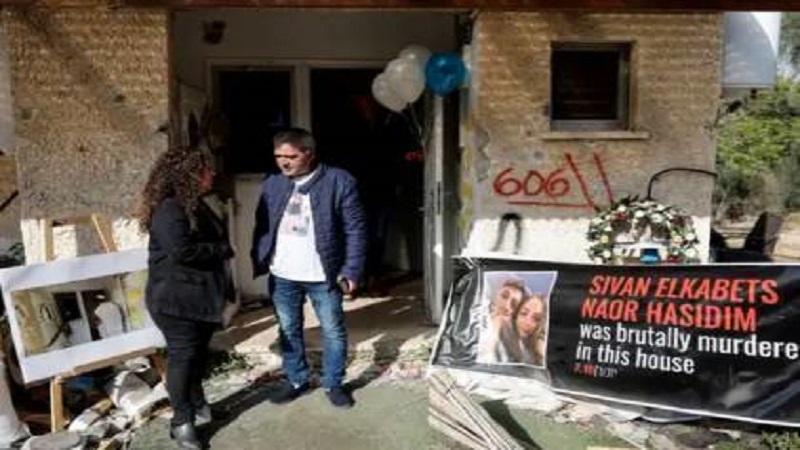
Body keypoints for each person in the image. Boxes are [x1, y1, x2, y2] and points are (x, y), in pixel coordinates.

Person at [251, 127, 367, 409]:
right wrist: (259, 255)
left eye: (290, 156)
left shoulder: (339, 181)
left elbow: (355, 229)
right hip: (282, 274)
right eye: (278, 156)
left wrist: (351, 270)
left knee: (333, 330)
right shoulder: (273, 183)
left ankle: (333, 383)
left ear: (309, 154)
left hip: (323, 275)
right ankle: (296, 380)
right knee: (288, 329)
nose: (283, 162)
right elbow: (262, 226)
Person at [138, 147, 234, 449]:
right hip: (175, 302)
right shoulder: (170, 209)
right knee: (182, 359)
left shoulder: (193, 204)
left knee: (197, 357)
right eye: (206, 170)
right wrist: (220, 250)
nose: (212, 174)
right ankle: (181, 421)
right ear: (188, 175)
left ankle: (199, 407)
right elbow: (182, 251)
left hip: (198, 298)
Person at [479, 279, 526, 363]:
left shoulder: (512, 337)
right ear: (496, 295)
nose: (506, 305)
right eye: (504, 296)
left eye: (513, 304)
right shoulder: (480, 309)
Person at [510, 293, 547, 366]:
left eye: (536, 319)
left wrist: (541, 354)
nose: (528, 322)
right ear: (516, 315)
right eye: (524, 313)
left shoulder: (539, 348)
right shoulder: (500, 338)